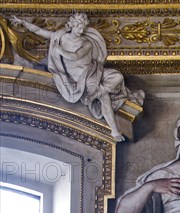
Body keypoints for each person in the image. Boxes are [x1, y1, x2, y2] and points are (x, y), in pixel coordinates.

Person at [10, 13, 144, 141]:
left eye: (83, 28)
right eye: (79, 27)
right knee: (104, 97)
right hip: (81, 80)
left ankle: (97, 93)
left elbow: (75, 56)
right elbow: (39, 31)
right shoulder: (60, 37)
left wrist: (60, 50)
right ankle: (114, 130)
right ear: (72, 25)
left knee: (118, 76)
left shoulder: (86, 43)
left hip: (92, 71)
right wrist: (23, 22)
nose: (81, 30)